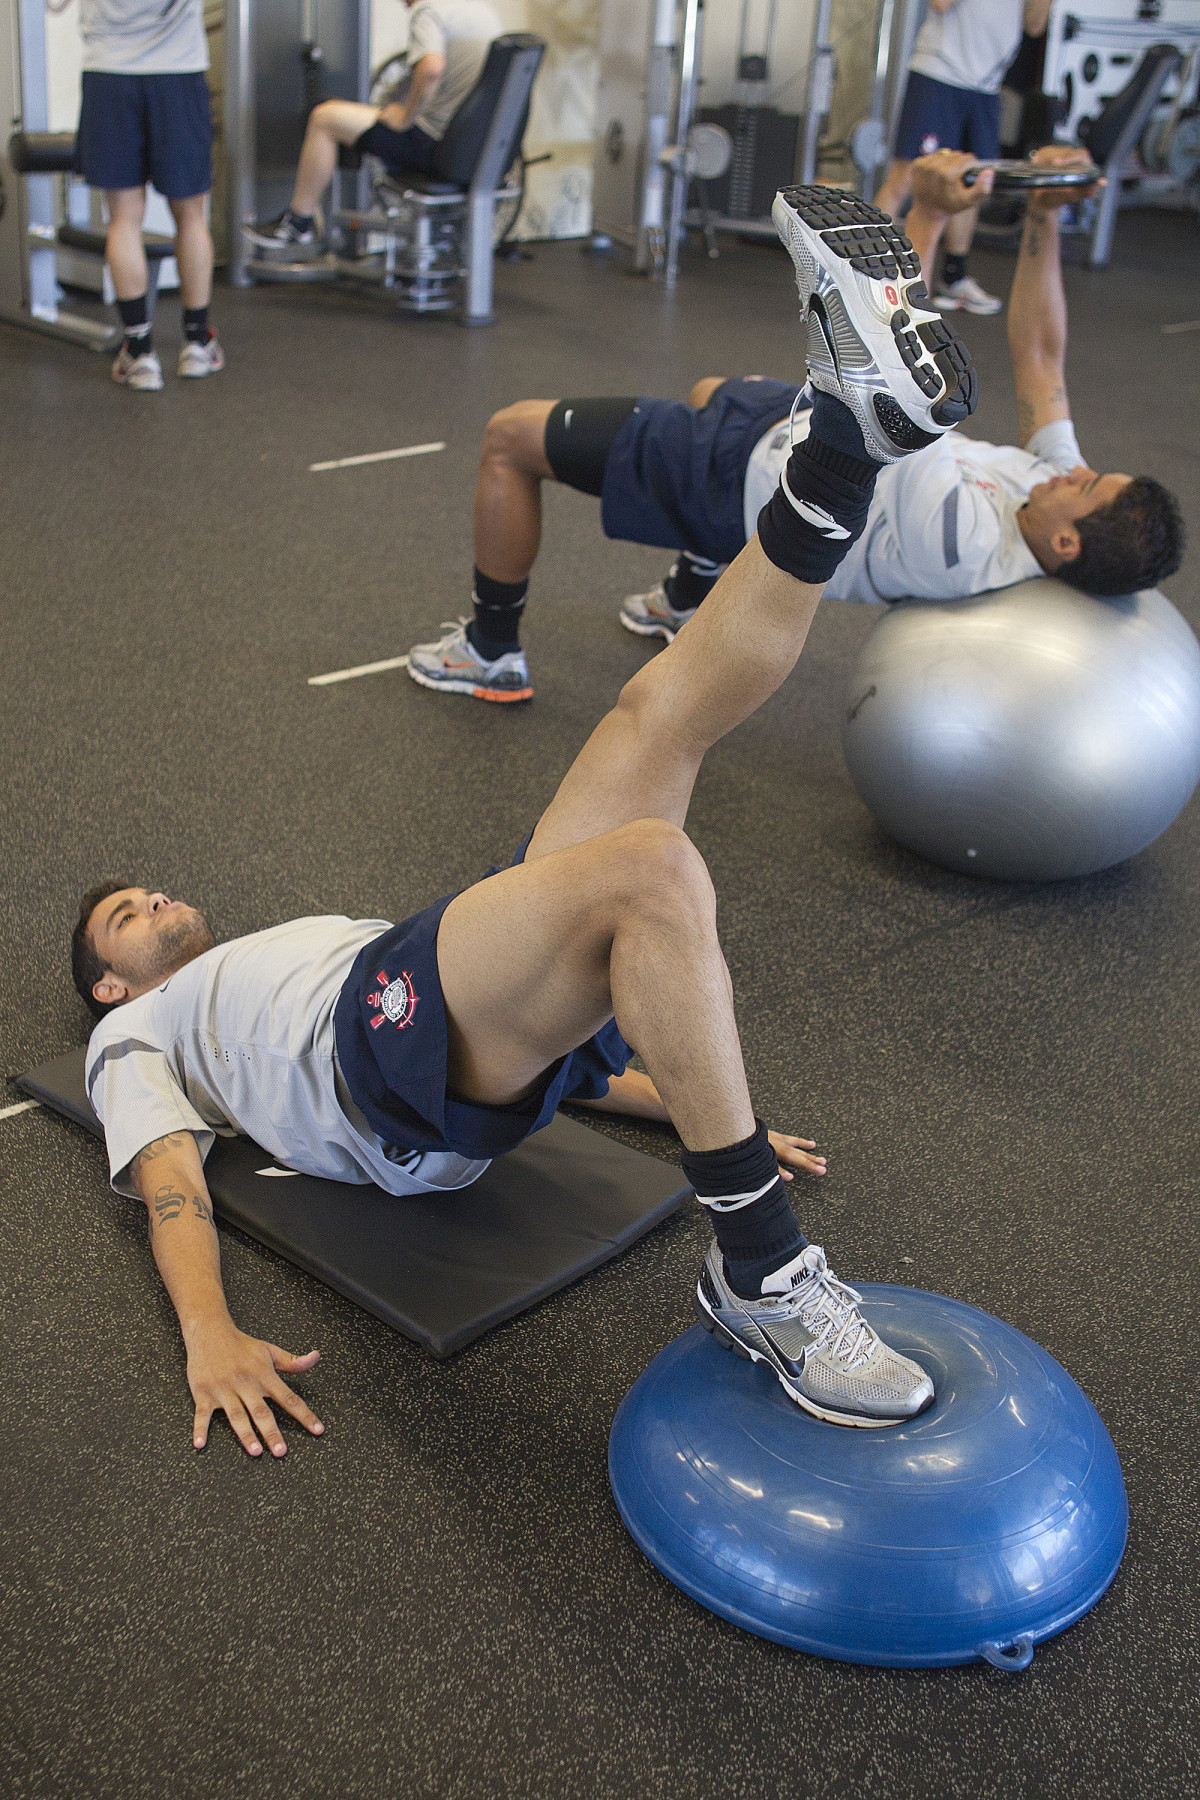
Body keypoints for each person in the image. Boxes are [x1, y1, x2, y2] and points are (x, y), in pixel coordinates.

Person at [72, 186, 982, 1457]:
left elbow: (537, 1030)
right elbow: (172, 1194)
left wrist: (689, 1101)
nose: (156, 904)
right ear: (112, 989)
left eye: (148, 890)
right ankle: (762, 1269)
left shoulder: (246, 949)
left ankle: (846, 441)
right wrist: (208, 1340)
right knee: (652, 870)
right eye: (127, 919)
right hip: (372, 1064)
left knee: (660, 708)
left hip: (426, 980)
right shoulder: (140, 1041)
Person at [405, 148, 1183, 705]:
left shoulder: (967, 541)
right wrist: (1043, 217)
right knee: (714, 384)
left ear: (1069, 543)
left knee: (511, 437)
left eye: (1083, 487)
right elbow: (1042, 359)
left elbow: (895, 372)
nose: (1070, 470)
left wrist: (930, 210)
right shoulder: (1039, 492)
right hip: (780, 431)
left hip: (741, 487)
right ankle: (688, 596)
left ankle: (490, 651)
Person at [245, 0, 501, 253]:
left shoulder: (429, 11)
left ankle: (298, 223)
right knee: (364, 116)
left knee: (323, 117)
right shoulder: (480, 10)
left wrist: (405, 117)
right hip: (479, 151)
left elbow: (432, 68)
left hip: (433, 146)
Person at [76, 0, 224, 391]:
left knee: (123, 217)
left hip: (110, 73)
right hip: (177, 74)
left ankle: (140, 354)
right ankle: (196, 344)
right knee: (191, 216)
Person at [874, 0, 1052, 315]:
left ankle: (953, 278)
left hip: (986, 84)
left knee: (974, 182)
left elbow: (1034, 26)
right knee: (905, 177)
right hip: (939, 72)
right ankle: (862, 271)